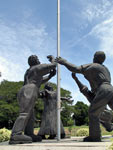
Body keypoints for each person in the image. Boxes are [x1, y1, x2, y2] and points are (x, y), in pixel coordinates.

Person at [56, 51, 113, 142]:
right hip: (110, 88)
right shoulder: (105, 69)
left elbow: (76, 68)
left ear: (95, 57)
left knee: (93, 112)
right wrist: (76, 79)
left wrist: (64, 62)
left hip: (104, 89)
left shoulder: (94, 66)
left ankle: (95, 136)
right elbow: (85, 89)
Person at [9, 55, 56, 144]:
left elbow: (39, 81)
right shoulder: (37, 68)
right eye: (38, 59)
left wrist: (50, 76)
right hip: (30, 89)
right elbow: (54, 65)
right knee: (25, 113)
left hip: (25, 89)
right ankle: (16, 134)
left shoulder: (30, 71)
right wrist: (52, 59)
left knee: (30, 115)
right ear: (35, 61)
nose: (39, 61)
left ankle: (29, 133)